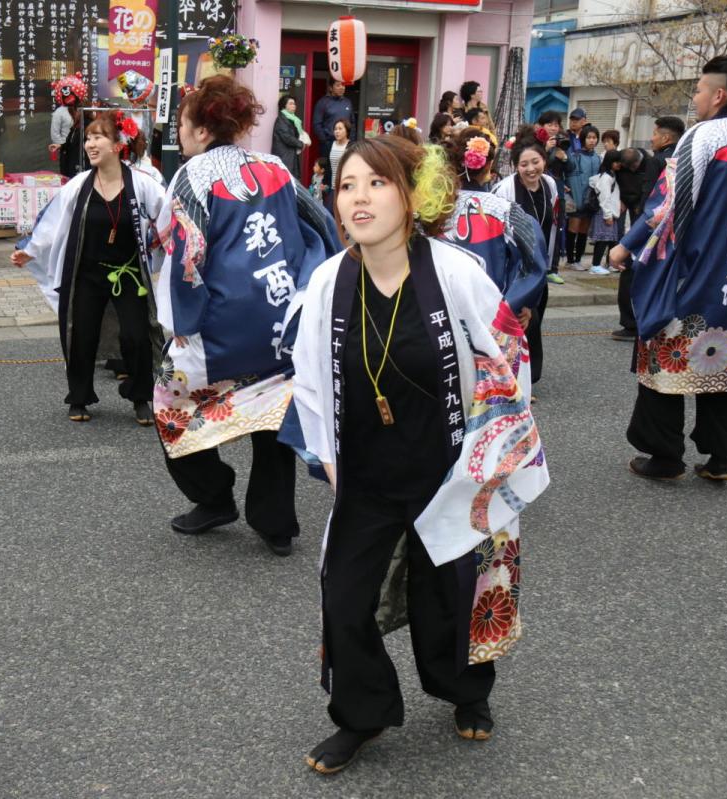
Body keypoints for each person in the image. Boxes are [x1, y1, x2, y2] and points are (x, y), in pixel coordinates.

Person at [292, 135, 549, 774]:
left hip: (451, 470)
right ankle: (362, 713)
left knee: (452, 597)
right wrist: (326, 454)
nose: (358, 198)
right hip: (368, 475)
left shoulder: (456, 271)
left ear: (413, 194)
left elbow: (508, 354)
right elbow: (308, 379)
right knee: (345, 598)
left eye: (376, 183)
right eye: (348, 184)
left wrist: (496, 447)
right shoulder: (328, 282)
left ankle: (466, 693)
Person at [154, 75, 340, 556]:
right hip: (281, 319)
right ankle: (275, 523)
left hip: (220, 327)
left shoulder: (191, 175)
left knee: (171, 406)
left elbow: (187, 257)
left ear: (200, 130)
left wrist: (180, 325)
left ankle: (214, 495)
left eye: (182, 122)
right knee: (273, 414)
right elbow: (320, 222)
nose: (180, 132)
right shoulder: (276, 166)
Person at [610, 52, 727, 482]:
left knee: (663, 355)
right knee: (725, 364)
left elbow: (668, 207)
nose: (697, 97)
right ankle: (720, 458)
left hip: (693, 272)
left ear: (719, 95)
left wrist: (627, 246)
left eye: (700, 90)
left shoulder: (705, 137)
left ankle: (665, 455)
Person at [11, 111, 165, 425]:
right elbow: (52, 223)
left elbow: (167, 219)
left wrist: (173, 243)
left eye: (98, 137)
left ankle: (140, 396)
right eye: (89, 138)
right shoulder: (80, 185)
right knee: (81, 334)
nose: (90, 144)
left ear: (117, 145)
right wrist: (30, 250)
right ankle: (79, 397)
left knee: (137, 336)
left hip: (128, 272)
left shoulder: (143, 184)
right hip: (87, 273)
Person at [442, 128, 546, 321]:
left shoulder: (436, 209)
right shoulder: (505, 210)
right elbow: (533, 261)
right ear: (488, 165)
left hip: (439, 307)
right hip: (489, 310)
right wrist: (516, 303)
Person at [492, 130, 561, 387]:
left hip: (539, 264)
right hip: (515, 267)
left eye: (536, 162)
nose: (531, 169)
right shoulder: (504, 190)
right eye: (524, 164)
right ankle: (513, 377)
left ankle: (528, 375)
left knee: (535, 318)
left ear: (544, 160)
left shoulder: (550, 185)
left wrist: (551, 262)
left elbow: (553, 223)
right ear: (515, 166)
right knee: (519, 319)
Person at [610, 147, 649, 340]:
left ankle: (634, 324)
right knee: (628, 273)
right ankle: (631, 323)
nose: (633, 169)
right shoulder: (618, 165)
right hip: (631, 219)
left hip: (645, 221)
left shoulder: (653, 164)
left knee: (631, 273)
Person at [536, 110, 571, 282]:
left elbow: (571, 170)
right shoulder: (535, 142)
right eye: (550, 124)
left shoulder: (563, 143)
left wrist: (564, 158)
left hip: (558, 189)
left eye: (556, 125)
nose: (553, 128)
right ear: (542, 125)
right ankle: (537, 265)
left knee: (558, 227)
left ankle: (553, 268)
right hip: (540, 189)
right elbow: (536, 166)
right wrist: (546, 149)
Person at [565, 125, 601, 269]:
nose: (592, 141)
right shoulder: (575, 156)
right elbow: (568, 174)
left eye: (594, 138)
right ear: (583, 139)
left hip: (591, 200)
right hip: (577, 198)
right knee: (573, 228)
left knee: (583, 231)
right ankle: (570, 260)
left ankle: (578, 260)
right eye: (589, 138)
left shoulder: (598, 158)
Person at [586, 149, 623, 274]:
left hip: (610, 212)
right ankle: (595, 265)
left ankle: (608, 264)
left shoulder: (612, 175)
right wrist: (607, 214)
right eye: (616, 162)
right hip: (605, 212)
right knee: (602, 239)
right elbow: (604, 197)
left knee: (610, 239)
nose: (619, 164)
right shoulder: (606, 177)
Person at [50, 73, 89, 178]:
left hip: (84, 151)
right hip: (67, 151)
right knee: (68, 176)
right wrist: (63, 146)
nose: (69, 97)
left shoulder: (84, 109)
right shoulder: (59, 112)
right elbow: (55, 133)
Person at [640, 115, 684, 202]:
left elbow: (648, 193)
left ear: (665, 138)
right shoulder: (685, 157)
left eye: (654, 134)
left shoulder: (656, 161)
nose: (651, 139)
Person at [312, 78, 356, 149]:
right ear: (330, 88)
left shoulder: (348, 102)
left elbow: (352, 123)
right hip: (329, 143)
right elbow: (317, 124)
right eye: (338, 85)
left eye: (343, 85)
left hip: (346, 143)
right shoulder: (323, 102)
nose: (341, 87)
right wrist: (325, 140)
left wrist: (351, 140)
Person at [273, 95, 306, 178]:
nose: (294, 106)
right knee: (286, 180)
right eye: (291, 104)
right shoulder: (281, 119)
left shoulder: (293, 120)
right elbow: (287, 137)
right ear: (284, 106)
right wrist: (300, 144)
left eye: (294, 104)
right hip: (284, 156)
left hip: (290, 155)